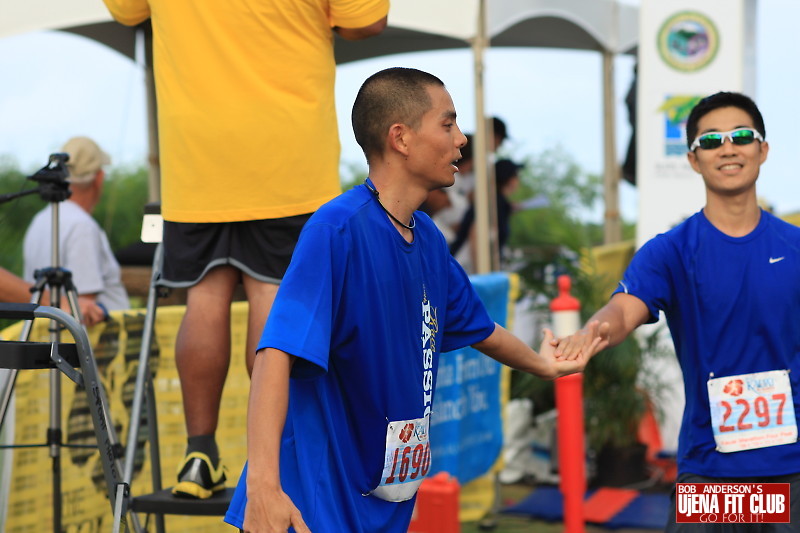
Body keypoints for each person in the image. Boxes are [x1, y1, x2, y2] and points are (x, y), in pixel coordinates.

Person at [223, 67, 602, 533]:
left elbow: (481, 329)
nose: (461, 140)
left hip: (383, 503)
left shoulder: (427, 239)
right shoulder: (336, 229)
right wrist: (264, 487)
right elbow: (274, 353)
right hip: (311, 507)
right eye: (447, 124)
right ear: (401, 138)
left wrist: (542, 365)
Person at [102, 0, 389, 499]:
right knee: (272, 298)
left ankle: (198, 456)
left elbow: (126, 12)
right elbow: (367, 21)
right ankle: (269, 462)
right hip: (287, 154)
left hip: (195, 154)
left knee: (204, 299)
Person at [554, 91, 800, 531]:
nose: (727, 147)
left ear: (762, 150)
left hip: (795, 469)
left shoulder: (795, 249)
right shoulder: (670, 251)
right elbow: (623, 310)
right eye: (710, 140)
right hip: (711, 473)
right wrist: (591, 332)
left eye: (742, 135)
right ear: (693, 159)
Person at [22, 136, 129, 326]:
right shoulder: (82, 226)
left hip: (44, 339)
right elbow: (84, 309)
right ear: (99, 178)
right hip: (87, 350)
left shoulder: (39, 219)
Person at [449, 158, 523, 266]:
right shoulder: (495, 202)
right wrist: (482, 273)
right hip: (465, 267)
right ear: (509, 179)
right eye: (516, 176)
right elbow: (476, 234)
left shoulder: (494, 200)